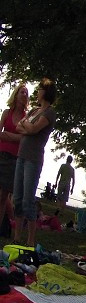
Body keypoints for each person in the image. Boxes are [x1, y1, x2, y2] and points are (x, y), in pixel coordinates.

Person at [11, 79, 58, 249]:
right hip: (21, 156)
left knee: (27, 200)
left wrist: (27, 126)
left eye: (39, 89)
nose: (37, 92)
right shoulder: (33, 110)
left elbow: (33, 129)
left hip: (33, 159)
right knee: (17, 197)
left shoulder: (50, 113)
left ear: (46, 92)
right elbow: (19, 127)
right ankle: (17, 237)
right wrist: (27, 126)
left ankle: (30, 240)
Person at [0, 83, 28, 234]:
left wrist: (9, 136)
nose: (24, 94)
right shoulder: (6, 113)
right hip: (1, 154)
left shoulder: (26, 118)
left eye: (26, 93)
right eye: (22, 92)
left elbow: (24, 138)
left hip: (14, 159)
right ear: (16, 95)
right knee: (1, 195)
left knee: (6, 195)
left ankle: (9, 225)